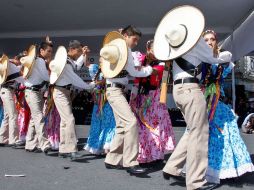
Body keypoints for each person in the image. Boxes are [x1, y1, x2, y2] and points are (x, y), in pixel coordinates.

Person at [153, 5, 232, 190]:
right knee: (200, 133)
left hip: (180, 91)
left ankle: (172, 167)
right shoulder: (196, 43)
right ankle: (196, 182)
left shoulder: (174, 48)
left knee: (193, 131)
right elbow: (215, 59)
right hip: (191, 89)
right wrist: (227, 54)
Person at [101, 28, 155, 175]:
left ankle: (112, 159)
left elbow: (132, 67)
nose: (136, 42)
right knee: (131, 122)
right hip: (115, 90)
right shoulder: (124, 51)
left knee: (122, 125)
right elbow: (135, 72)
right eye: (134, 39)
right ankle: (130, 162)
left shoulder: (120, 50)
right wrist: (150, 69)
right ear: (125, 36)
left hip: (115, 89)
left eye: (137, 40)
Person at [202, 30, 254, 183]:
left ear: (216, 41)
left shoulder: (222, 57)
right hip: (203, 101)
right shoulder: (199, 60)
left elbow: (229, 56)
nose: (209, 42)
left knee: (228, 132)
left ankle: (225, 168)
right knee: (204, 135)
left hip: (219, 101)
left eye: (212, 39)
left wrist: (213, 56)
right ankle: (204, 169)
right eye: (206, 40)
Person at [130, 40, 176, 164]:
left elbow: (158, 73)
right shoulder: (140, 59)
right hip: (140, 96)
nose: (157, 52)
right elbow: (136, 79)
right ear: (148, 49)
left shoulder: (162, 63)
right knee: (142, 127)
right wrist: (133, 97)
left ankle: (156, 155)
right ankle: (143, 156)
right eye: (155, 49)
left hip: (154, 97)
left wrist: (141, 69)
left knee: (155, 126)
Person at [51, 40, 95, 161]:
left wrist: (84, 54)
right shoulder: (65, 63)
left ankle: (63, 148)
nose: (80, 53)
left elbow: (77, 65)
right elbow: (75, 79)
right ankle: (71, 149)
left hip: (64, 91)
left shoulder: (68, 61)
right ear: (72, 49)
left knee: (65, 121)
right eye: (79, 51)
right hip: (61, 92)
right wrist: (90, 86)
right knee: (69, 119)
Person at [22, 42, 54, 154]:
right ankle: (45, 145)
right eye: (48, 51)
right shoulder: (40, 61)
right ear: (41, 51)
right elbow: (46, 77)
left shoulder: (38, 61)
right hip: (33, 93)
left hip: (35, 92)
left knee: (34, 118)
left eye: (51, 51)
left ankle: (30, 144)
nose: (50, 53)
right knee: (38, 117)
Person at [84, 63, 116, 154]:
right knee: (97, 122)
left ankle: (107, 146)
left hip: (108, 100)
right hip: (98, 101)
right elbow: (88, 65)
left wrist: (96, 83)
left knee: (109, 122)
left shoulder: (112, 70)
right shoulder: (96, 70)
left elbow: (104, 82)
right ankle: (98, 146)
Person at [0, 54, 23, 147]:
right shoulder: (10, 65)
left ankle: (2, 138)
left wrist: (11, 60)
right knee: (13, 115)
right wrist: (12, 60)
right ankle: (14, 140)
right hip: (7, 91)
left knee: (7, 115)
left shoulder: (10, 65)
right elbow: (22, 78)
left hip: (7, 91)